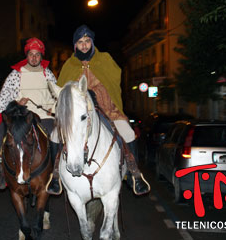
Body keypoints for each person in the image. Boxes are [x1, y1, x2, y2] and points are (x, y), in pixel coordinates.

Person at [48, 25, 150, 196]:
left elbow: (114, 78)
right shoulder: (69, 64)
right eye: (80, 42)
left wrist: (95, 88)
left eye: (87, 41)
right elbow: (62, 90)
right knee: (55, 136)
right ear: (75, 45)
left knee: (129, 133)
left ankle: (135, 175)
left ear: (92, 43)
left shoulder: (105, 59)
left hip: (107, 109)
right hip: (79, 114)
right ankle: (55, 175)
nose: (84, 45)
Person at [0, 37, 62, 195]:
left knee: (56, 136)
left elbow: (57, 97)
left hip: (43, 116)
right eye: (31, 54)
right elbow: (4, 100)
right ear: (26, 55)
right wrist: (17, 103)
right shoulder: (15, 75)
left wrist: (51, 109)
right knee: (0, 135)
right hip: (20, 116)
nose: (34, 57)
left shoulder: (48, 74)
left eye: (37, 54)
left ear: (41, 56)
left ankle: (56, 172)